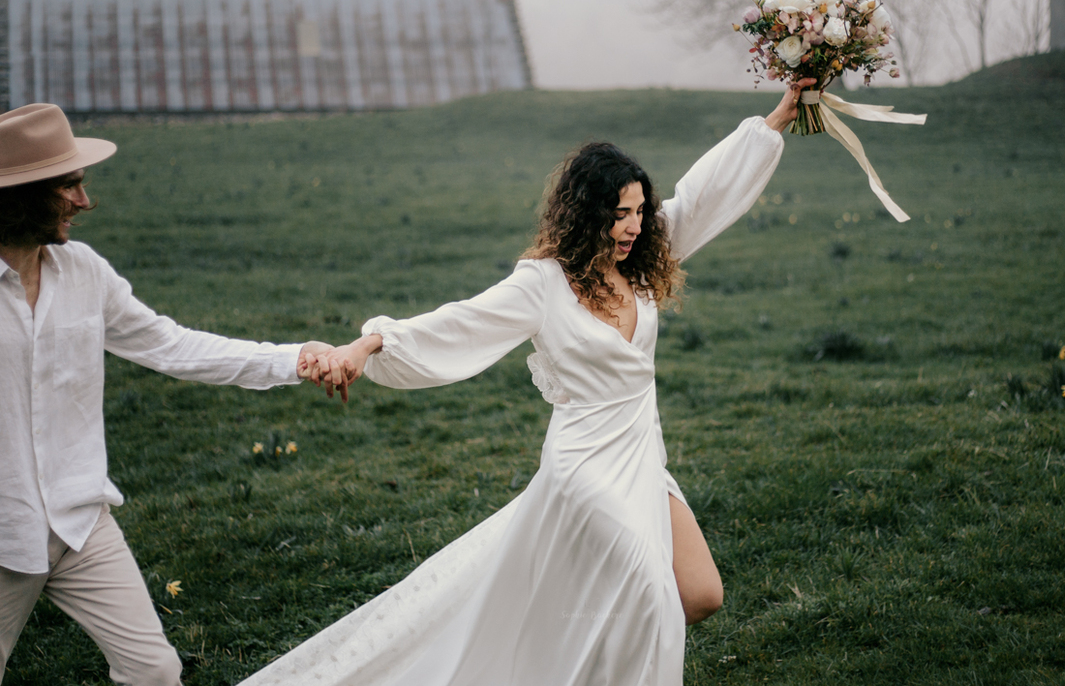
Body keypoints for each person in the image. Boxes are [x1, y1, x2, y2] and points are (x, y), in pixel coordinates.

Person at [241, 80, 815, 686]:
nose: (632, 226)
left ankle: (574, 659)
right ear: (586, 213)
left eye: (640, 212)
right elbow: (458, 322)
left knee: (699, 594)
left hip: (642, 458)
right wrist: (365, 345)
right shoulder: (543, 284)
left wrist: (773, 121)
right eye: (619, 214)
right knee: (648, 597)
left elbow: (701, 196)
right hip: (583, 470)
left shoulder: (642, 265)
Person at [0, 103, 335, 686]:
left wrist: (294, 359)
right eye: (69, 187)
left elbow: (172, 346)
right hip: (4, 533)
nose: (85, 201)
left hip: (81, 521)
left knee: (154, 672)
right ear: (21, 194)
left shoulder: (84, 271)